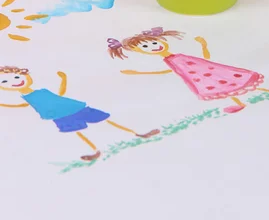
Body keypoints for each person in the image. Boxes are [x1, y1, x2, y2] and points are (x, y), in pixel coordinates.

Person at [108, 27, 269, 114]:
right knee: (224, 89)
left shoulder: (178, 55)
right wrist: (138, 74)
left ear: (162, 41)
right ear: (142, 52)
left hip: (211, 70)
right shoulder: (168, 61)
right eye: (147, 47)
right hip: (198, 78)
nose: (153, 47)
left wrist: (203, 44)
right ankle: (240, 104)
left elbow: (204, 58)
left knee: (237, 81)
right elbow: (166, 73)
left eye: (154, 43)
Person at [0, 65, 159, 161]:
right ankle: (95, 151)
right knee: (78, 132)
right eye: (5, 82)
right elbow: (20, 106)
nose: (15, 81)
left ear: (25, 75)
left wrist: (63, 79)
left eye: (16, 76)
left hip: (75, 107)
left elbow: (60, 93)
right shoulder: (27, 97)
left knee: (105, 120)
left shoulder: (41, 90)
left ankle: (138, 133)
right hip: (60, 116)